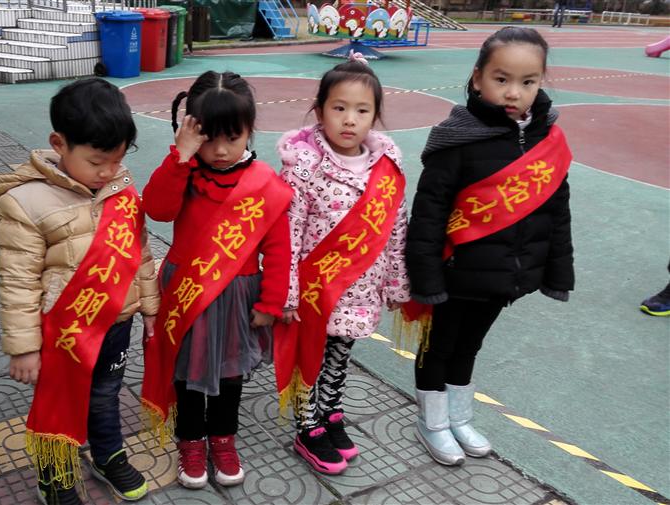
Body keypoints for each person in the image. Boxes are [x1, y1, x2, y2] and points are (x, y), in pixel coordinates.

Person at [0, 79, 159, 505]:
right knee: (60, 402)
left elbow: (140, 251)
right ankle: (55, 475)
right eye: (97, 161)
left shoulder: (121, 188)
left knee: (105, 394)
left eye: (117, 160)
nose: (108, 172)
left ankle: (107, 453)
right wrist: (24, 348)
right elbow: (17, 281)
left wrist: (150, 306)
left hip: (116, 323)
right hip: (63, 333)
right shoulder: (24, 203)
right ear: (59, 144)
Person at [405, 27, 574, 466]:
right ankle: (432, 421)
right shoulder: (456, 138)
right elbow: (428, 216)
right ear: (478, 77)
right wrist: (425, 279)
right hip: (454, 273)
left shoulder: (548, 140)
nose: (514, 92)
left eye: (528, 81)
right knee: (438, 348)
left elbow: (558, 211)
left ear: (540, 81)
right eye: (502, 79)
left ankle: (459, 417)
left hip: (506, 275)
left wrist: (557, 273)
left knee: (469, 347)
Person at [140, 71, 293, 489]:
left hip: (237, 295)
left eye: (233, 137)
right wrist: (180, 155)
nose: (221, 150)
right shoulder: (185, 172)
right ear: (192, 131)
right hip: (187, 290)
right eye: (209, 138)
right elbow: (157, 209)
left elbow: (278, 249)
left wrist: (270, 303)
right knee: (186, 372)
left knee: (229, 375)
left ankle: (223, 439)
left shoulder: (264, 183)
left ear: (250, 131)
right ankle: (190, 441)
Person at [274, 52, 410, 475]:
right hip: (315, 287)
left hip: (361, 285)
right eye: (339, 108)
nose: (350, 120)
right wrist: (287, 292)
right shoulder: (303, 168)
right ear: (319, 111)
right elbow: (287, 233)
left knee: (340, 353)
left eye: (362, 110)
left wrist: (397, 283)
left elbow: (396, 228)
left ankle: (330, 412)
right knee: (310, 357)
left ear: (375, 116)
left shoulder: (386, 167)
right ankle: (307, 426)